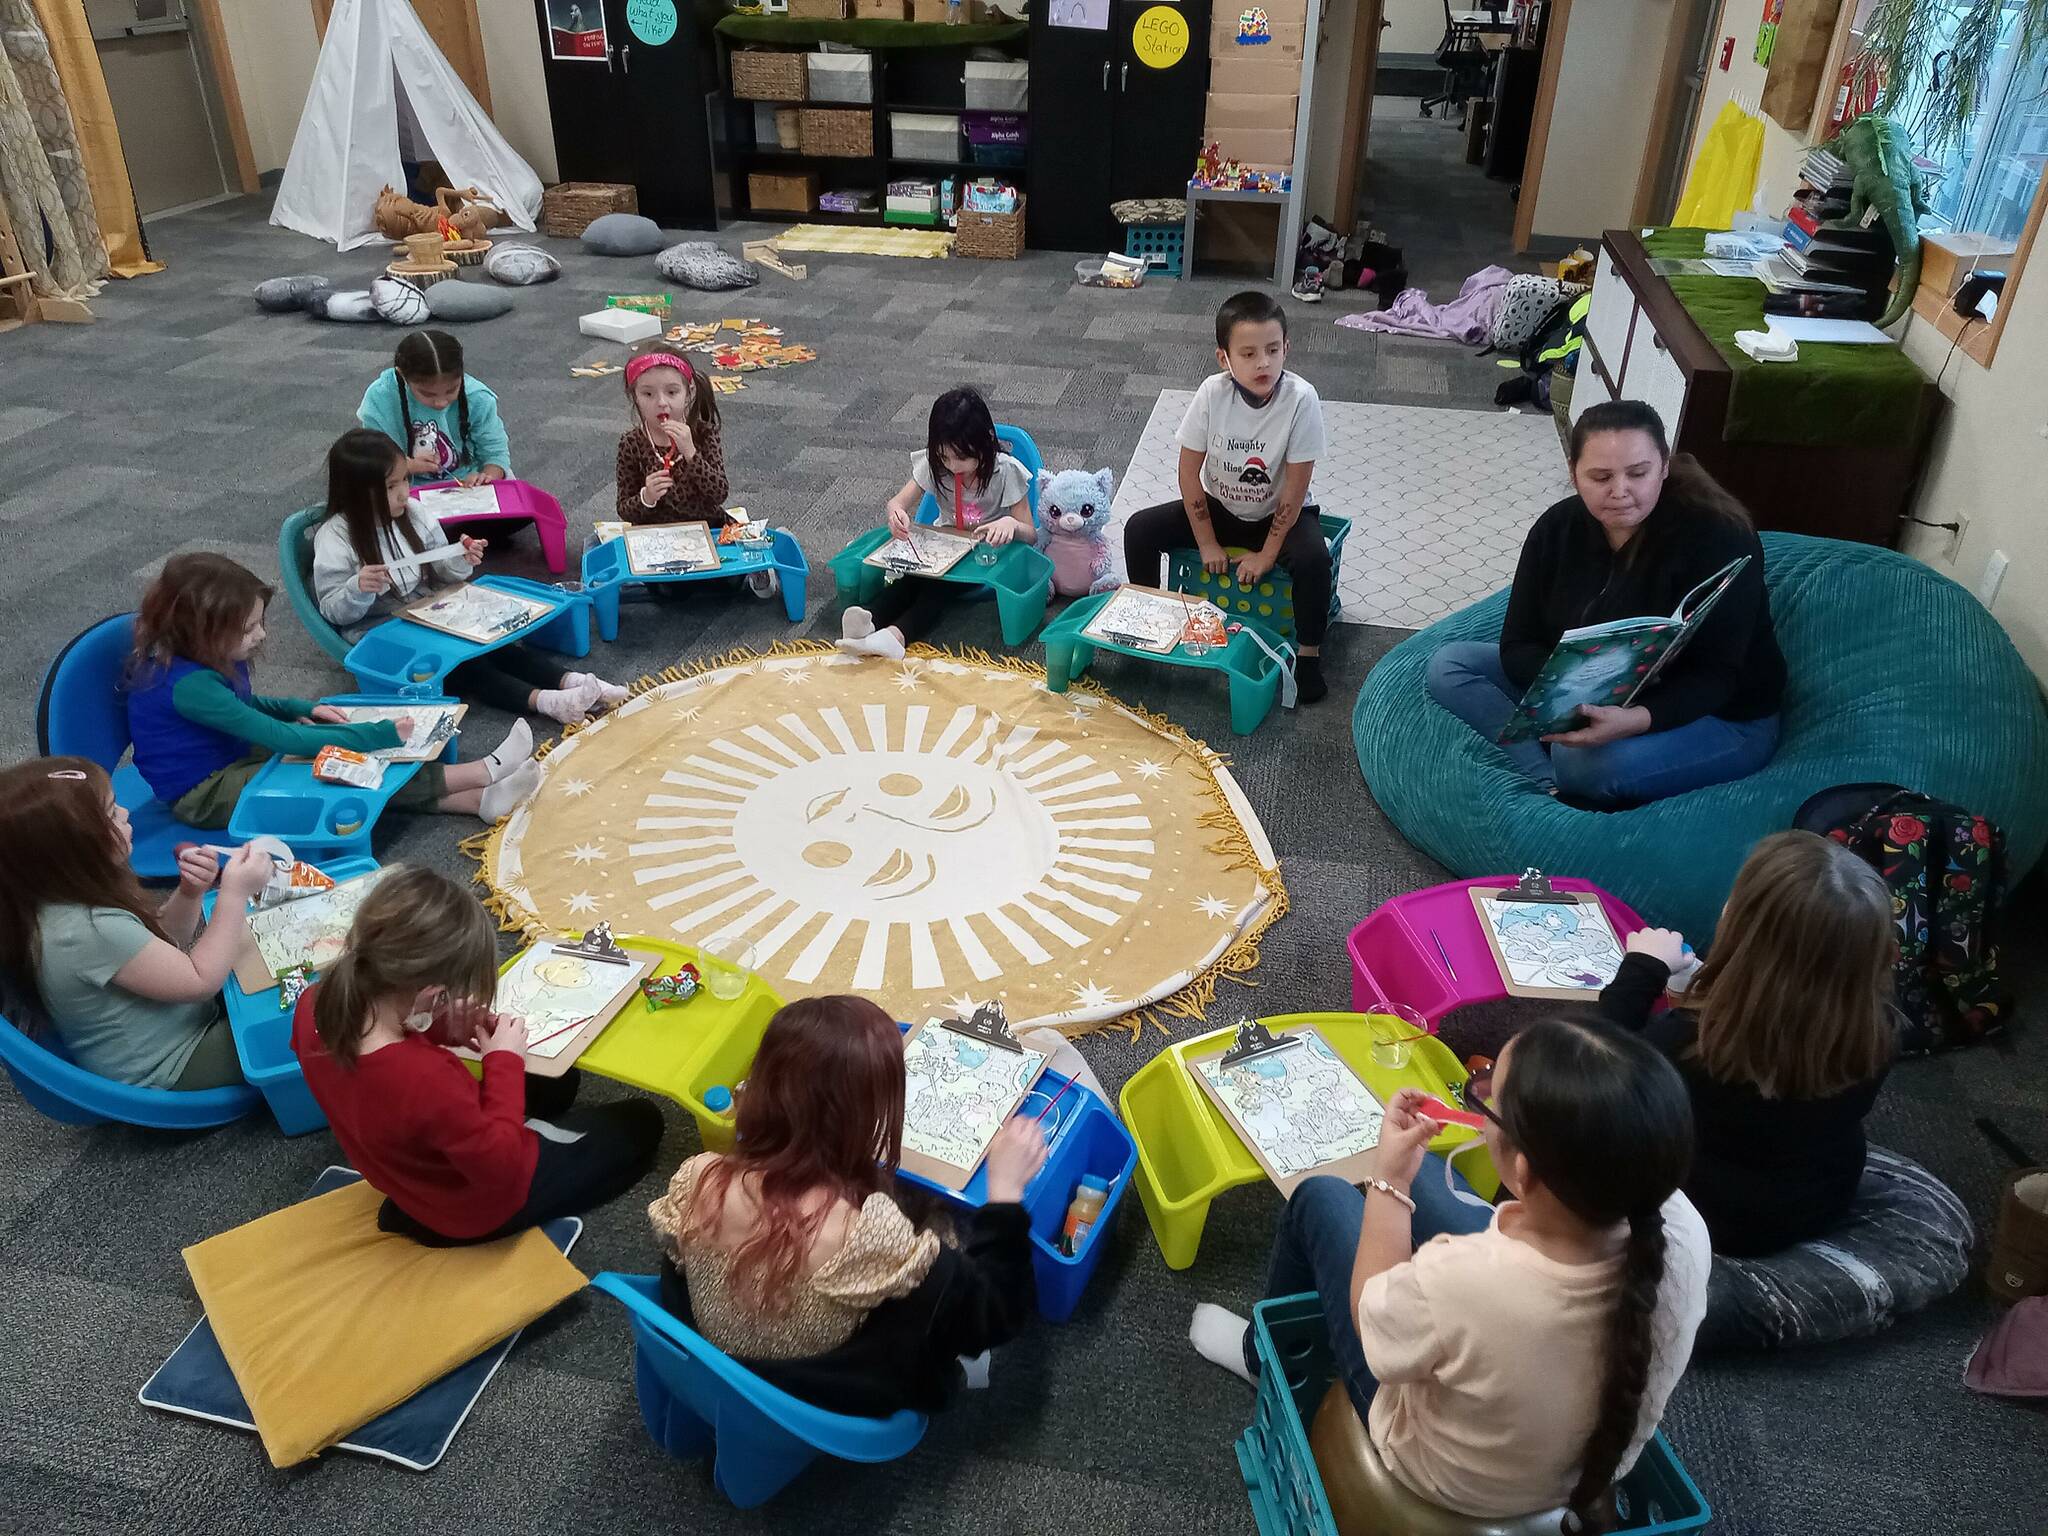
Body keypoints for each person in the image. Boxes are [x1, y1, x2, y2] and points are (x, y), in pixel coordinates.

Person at [1189, 1018, 1709, 1526]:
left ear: (1523, 1171)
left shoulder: (1464, 1279)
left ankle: (1260, 1358)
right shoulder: (1685, 1229)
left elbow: (1375, 1324)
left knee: (1322, 1195)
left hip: (1441, 1475)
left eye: (1485, 1097)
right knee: (1434, 1175)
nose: (1475, 1102)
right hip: (1573, 1469)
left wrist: (1389, 1182)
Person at [648, 995, 1044, 1416]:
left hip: (708, 1365)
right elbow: (995, 1317)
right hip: (813, 1400)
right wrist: (1005, 1193)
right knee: (947, 1238)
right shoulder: (866, 1233)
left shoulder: (698, 1176)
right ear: (862, 1118)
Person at [1425, 398, 1785, 806]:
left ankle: (1565, 766)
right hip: (1596, 689)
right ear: (1574, 475)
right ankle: (1547, 782)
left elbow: (1720, 675)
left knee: (1582, 763)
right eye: (1600, 477)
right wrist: (1568, 697)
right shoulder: (1556, 528)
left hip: (1720, 714)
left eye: (1638, 473)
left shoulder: (1721, 537)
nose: (1620, 492)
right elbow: (1517, 643)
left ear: (1664, 468)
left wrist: (1633, 720)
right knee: (1449, 666)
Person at [291, 866, 665, 1244]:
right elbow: (501, 1167)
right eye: (446, 999)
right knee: (641, 1122)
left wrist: (438, 1028)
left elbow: (378, 1087)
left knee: (560, 1080)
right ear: (430, 995)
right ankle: (446, 1225)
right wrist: (503, 1063)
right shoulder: (423, 1077)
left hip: (407, 1173)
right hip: (480, 1205)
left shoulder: (313, 1007)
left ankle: (420, 1209)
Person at [1598, 830, 1896, 1256]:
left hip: (1703, 1220)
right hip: (1817, 1203)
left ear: (1740, 927)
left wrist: (1642, 969)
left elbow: (1594, 1060)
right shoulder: (1879, 1030)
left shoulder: (1689, 1044)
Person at [126, 552, 541, 827]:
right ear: (202, 632)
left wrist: (296, 705)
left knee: (335, 758)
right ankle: (479, 773)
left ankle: (476, 801)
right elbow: (282, 737)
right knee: (330, 765)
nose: (262, 635)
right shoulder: (189, 684)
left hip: (229, 756)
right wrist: (376, 733)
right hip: (204, 793)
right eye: (248, 628)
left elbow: (246, 707)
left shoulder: (198, 657)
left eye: (259, 622)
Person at [313, 428, 628, 724]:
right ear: (355, 493)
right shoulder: (335, 537)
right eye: (390, 487)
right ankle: (546, 702)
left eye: (404, 481)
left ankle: (574, 682)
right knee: (463, 664)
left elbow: (440, 573)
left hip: (425, 610)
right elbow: (332, 611)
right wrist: (357, 588)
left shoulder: (415, 512)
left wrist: (461, 559)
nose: (403, 494)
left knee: (494, 643)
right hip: (379, 629)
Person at [0, 757, 273, 1088]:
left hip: (181, 1024)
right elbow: (200, 980)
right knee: (297, 1019)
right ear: (75, 848)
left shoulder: (60, 899)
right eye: (112, 812)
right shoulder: (86, 931)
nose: (127, 813)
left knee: (268, 963)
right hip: (172, 1066)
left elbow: (157, 945)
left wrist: (189, 893)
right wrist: (234, 893)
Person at [1121, 289, 1332, 702]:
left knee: (1314, 559)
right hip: (1220, 509)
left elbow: (1296, 487)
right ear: (1225, 358)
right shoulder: (1212, 393)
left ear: (1287, 348)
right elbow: (1188, 471)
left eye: (1273, 350)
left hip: (1279, 515)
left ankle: (1308, 655)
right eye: (1249, 353)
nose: (1263, 363)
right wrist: (1206, 541)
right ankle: (1150, 617)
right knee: (1139, 528)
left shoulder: (1301, 400)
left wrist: (1267, 555)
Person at [836, 387, 1035, 661]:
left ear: (987, 441)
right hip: (944, 550)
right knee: (911, 580)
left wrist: (1010, 524)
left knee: (936, 588)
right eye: (944, 457)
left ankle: (897, 635)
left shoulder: (1006, 471)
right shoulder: (936, 467)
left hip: (986, 559)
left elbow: (1031, 535)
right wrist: (897, 515)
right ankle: (868, 622)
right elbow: (897, 502)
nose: (953, 466)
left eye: (962, 458)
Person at [356, 329, 511, 487]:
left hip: (468, 481)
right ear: (402, 375)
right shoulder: (381, 396)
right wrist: (407, 466)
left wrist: (487, 478)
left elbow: (495, 453)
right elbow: (373, 458)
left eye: (451, 390)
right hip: (402, 483)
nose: (441, 402)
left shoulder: (477, 396)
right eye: (427, 394)